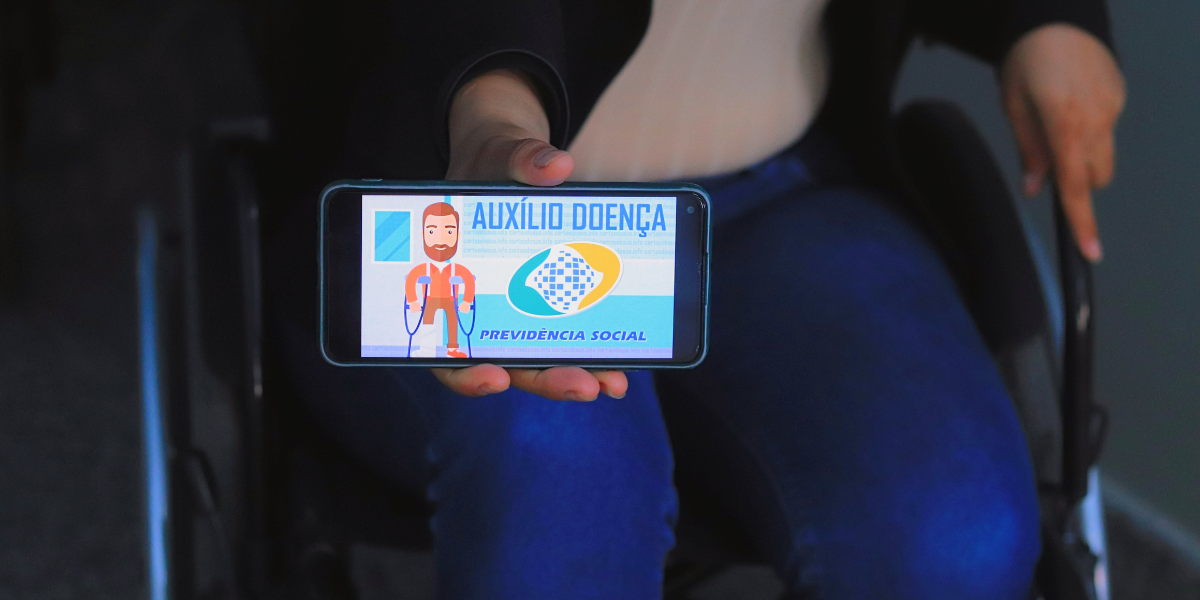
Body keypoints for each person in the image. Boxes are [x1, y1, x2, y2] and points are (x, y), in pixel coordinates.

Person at [253, 0, 1126, 597]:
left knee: (955, 538)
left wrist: (1046, 15)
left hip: (778, 184)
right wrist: (492, 113)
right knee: (568, 482)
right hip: (478, 200)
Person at [405, 202, 475, 358]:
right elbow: (411, 280)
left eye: (449, 232)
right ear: (423, 235)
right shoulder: (424, 269)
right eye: (432, 231)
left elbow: (469, 280)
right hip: (429, 300)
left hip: (451, 300)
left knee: (452, 321)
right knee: (428, 320)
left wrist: (466, 302)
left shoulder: (457, 269)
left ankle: (452, 350)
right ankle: (427, 349)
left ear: (457, 236)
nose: (440, 239)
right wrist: (413, 301)